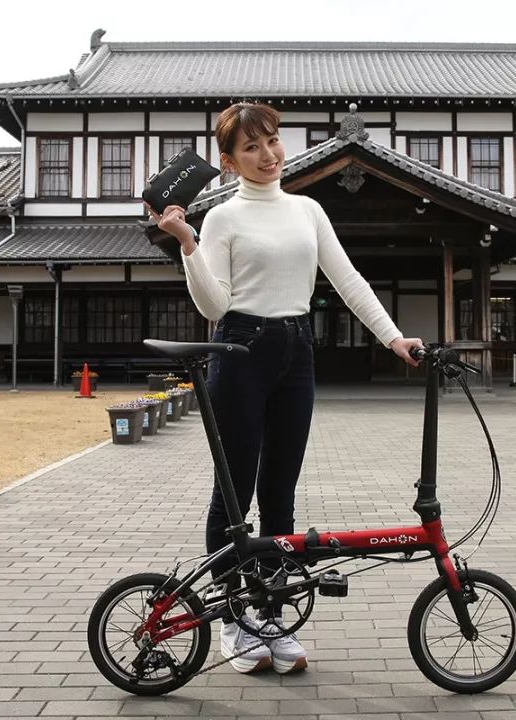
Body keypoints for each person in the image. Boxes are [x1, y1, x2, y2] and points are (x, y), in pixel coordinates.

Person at [148, 102, 422, 675]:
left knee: (280, 493)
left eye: (272, 140)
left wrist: (393, 337)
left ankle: (270, 613)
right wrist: (187, 243)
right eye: (251, 147)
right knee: (233, 493)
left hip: (297, 351)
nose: (268, 154)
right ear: (229, 161)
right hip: (239, 351)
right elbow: (215, 306)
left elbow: (347, 279)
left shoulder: (308, 210)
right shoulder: (222, 218)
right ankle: (232, 618)